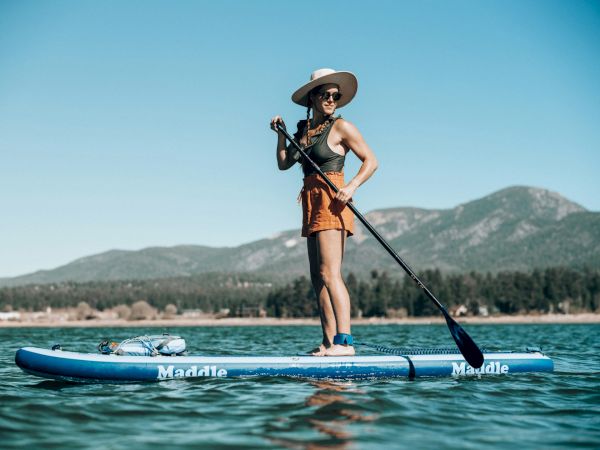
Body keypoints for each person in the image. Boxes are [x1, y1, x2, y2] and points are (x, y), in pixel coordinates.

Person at [270, 68, 378, 356]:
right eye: (326, 95)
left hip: (333, 199)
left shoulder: (342, 128)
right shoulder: (304, 132)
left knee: (331, 273)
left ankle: (345, 343)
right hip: (311, 200)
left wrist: (352, 186)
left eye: (335, 96)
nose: (332, 100)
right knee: (317, 276)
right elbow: (283, 164)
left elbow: (371, 161)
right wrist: (281, 135)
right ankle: (328, 341)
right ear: (312, 98)